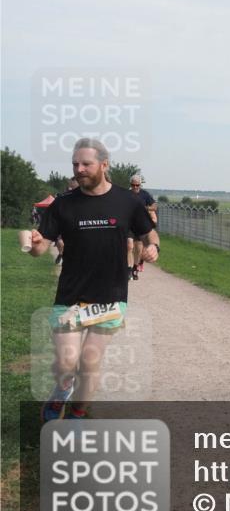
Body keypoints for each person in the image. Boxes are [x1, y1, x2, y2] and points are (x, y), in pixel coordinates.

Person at [27, 138, 160, 421]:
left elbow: (150, 233)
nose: (79, 169)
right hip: (71, 296)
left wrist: (153, 247)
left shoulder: (127, 201)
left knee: (89, 360)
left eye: (86, 164)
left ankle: (77, 413)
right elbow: (40, 249)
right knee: (66, 362)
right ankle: (62, 391)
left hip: (110, 296)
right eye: (75, 164)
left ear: (104, 164)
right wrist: (33, 242)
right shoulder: (62, 205)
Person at [127, 174, 158, 280]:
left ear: (140, 185)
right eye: (133, 185)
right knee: (129, 245)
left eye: (137, 185)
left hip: (140, 225)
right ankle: (129, 269)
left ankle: (135, 268)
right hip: (129, 224)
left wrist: (146, 208)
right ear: (130, 184)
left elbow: (154, 206)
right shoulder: (127, 194)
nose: (135, 187)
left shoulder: (145, 195)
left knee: (138, 248)